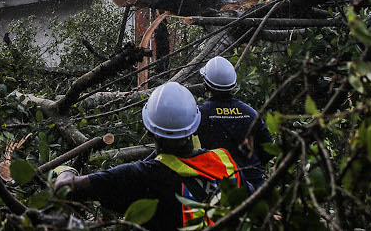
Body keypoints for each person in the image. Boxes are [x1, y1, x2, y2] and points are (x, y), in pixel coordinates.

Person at [53, 81, 246, 230]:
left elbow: (65, 188)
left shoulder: (141, 176)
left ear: (149, 129)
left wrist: (65, 170)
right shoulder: (224, 161)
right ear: (194, 127)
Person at [195, 56, 274, 192]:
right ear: (234, 84)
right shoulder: (250, 113)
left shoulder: (199, 115)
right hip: (256, 188)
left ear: (206, 85)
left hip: (219, 188)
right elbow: (268, 149)